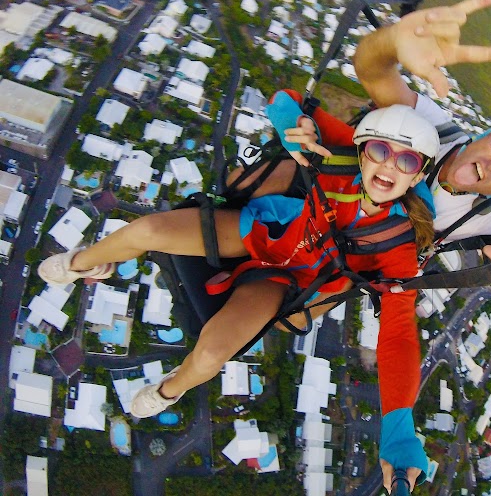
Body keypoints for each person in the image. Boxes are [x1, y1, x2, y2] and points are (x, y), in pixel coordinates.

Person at [38, 98, 437, 488]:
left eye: (407, 161)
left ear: (417, 176)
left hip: (288, 280)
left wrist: (399, 430)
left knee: (212, 353)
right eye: (380, 150)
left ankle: (168, 390)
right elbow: (288, 100)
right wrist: (290, 128)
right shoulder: (340, 158)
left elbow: (398, 335)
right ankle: (83, 263)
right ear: (363, 150)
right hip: (267, 233)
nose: (389, 164)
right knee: (148, 231)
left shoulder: (398, 246)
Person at [229, 0, 491, 326]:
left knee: (286, 319)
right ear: (486, 133)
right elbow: (374, 71)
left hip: (361, 254)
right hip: (337, 195)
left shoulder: (484, 221)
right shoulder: (438, 127)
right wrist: (391, 44)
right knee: (244, 185)